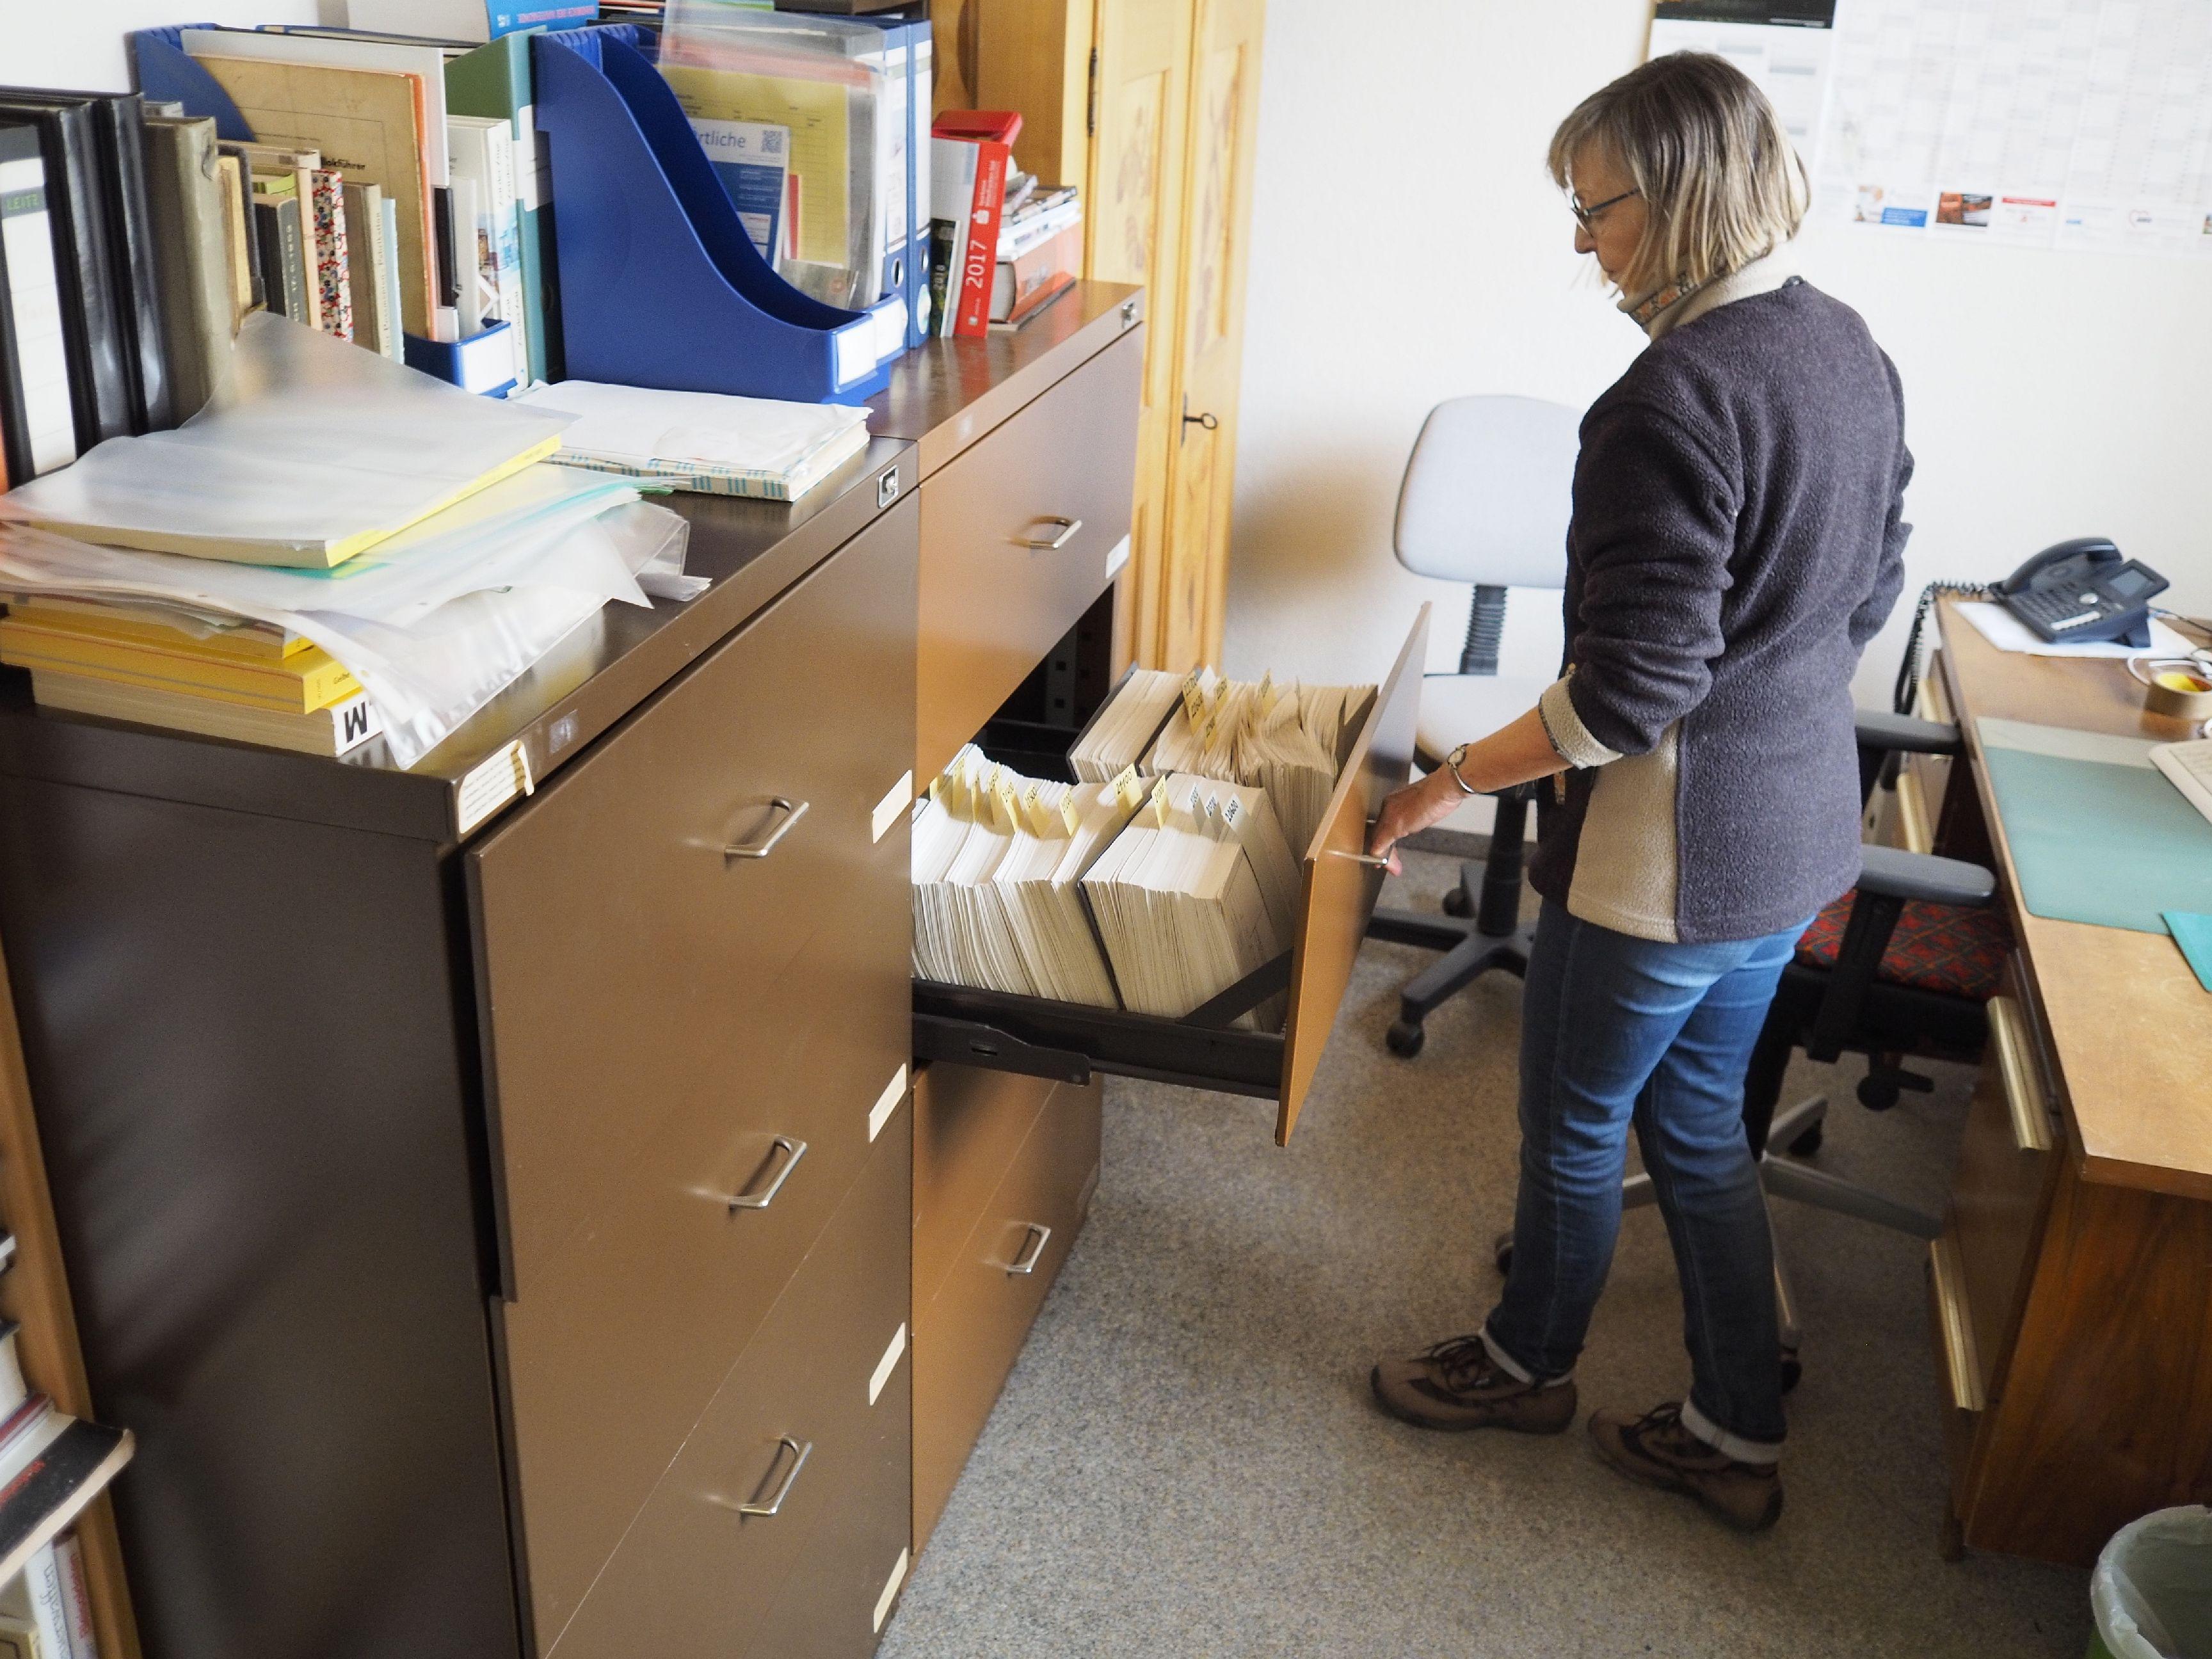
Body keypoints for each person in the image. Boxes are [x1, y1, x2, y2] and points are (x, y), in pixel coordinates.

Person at [1363, 52, 1911, 1535]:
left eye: (1593, 209)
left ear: (1671, 202)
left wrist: (1443, 789)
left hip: (1664, 865)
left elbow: (1625, 696)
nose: (1584, 242)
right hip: (1793, 833)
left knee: (1571, 1125)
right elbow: (1876, 578)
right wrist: (1782, 688)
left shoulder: (1669, 398)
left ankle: (1524, 1364)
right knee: (1703, 1130)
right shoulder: (1845, 345)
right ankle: (1736, 1430)